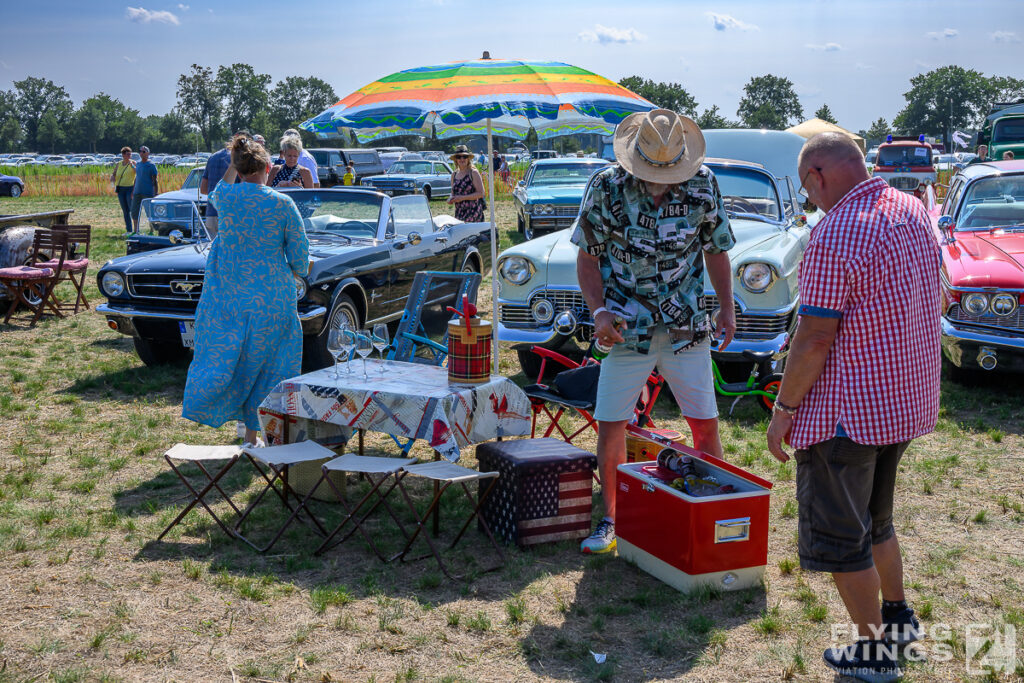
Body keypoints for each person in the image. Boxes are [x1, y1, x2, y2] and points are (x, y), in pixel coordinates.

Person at [766, 132, 940, 682]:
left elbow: (815, 337)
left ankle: (873, 654)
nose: (809, 199)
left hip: (848, 413)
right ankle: (897, 617)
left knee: (844, 539)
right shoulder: (911, 209)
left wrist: (784, 408)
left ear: (817, 175)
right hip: (902, 399)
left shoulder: (835, 233)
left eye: (806, 188)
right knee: (876, 522)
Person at [572, 109, 737, 555]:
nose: (661, 180)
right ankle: (612, 520)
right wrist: (600, 310)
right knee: (611, 424)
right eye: (652, 171)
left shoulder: (704, 184)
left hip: (687, 326)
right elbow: (587, 257)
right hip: (626, 328)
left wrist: (726, 306)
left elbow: (716, 250)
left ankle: (714, 516)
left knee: (705, 425)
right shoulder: (606, 187)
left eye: (669, 171)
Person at [182, 136, 310, 446]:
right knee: (271, 362)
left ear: (238, 170)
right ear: (270, 167)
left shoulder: (226, 198)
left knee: (230, 356)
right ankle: (259, 432)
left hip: (230, 293)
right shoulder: (282, 203)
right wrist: (297, 270)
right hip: (272, 295)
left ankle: (243, 428)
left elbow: (216, 189)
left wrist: (233, 164)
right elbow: (300, 253)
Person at [201, 130, 250, 236]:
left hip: (211, 214)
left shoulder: (212, 157)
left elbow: (203, 189)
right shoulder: (242, 158)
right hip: (231, 216)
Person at [447, 145, 486, 222]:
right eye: (459, 157)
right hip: (459, 214)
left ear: (468, 159)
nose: (462, 159)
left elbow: (481, 193)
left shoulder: (473, 172)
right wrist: (450, 199)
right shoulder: (454, 174)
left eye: (464, 157)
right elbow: (452, 193)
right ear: (456, 160)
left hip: (474, 214)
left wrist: (462, 198)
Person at [130, 146, 159, 230]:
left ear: (148, 153)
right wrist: (133, 190)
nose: (141, 153)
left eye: (143, 151)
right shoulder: (138, 164)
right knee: (134, 212)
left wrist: (155, 193)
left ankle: (151, 229)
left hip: (147, 192)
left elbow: (155, 180)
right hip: (137, 192)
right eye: (140, 151)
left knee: (149, 212)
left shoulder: (151, 165)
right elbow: (137, 177)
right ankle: (135, 230)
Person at [110, 146, 136, 232]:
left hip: (130, 188)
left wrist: (133, 166)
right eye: (128, 154)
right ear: (123, 155)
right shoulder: (119, 164)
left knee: (131, 209)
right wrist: (112, 178)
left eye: (130, 154)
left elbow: (137, 173)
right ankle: (129, 230)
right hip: (120, 189)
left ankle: (136, 229)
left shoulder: (133, 163)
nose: (130, 156)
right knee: (125, 211)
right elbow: (114, 173)